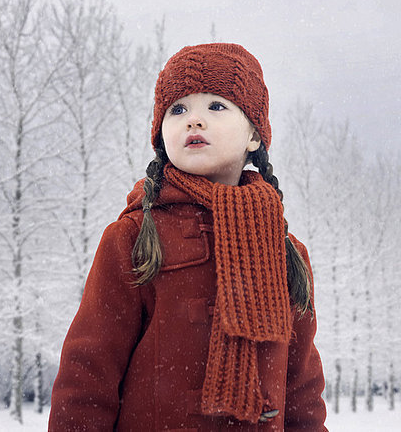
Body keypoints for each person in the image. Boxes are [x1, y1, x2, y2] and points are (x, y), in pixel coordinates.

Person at [48, 43, 328, 431]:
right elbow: (88, 373)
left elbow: (301, 390)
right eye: (178, 110)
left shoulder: (284, 251)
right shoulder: (134, 235)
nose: (193, 121)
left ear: (253, 137)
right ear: (162, 136)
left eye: (216, 106)